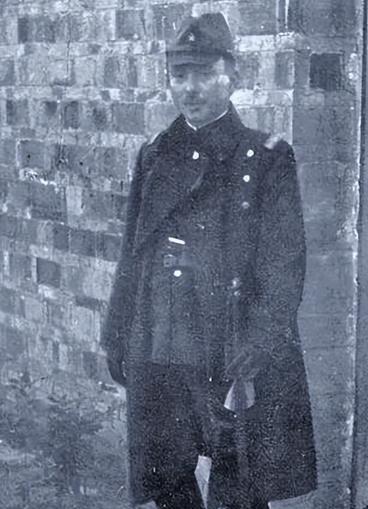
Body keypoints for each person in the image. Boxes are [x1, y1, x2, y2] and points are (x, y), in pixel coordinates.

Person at [100, 12, 316, 509]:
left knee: (238, 479)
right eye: (180, 75)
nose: (191, 88)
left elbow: (284, 263)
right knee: (166, 473)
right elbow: (133, 253)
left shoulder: (265, 157)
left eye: (204, 73)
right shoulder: (155, 155)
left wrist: (262, 340)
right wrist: (118, 332)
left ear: (232, 75)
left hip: (225, 340)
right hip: (158, 337)